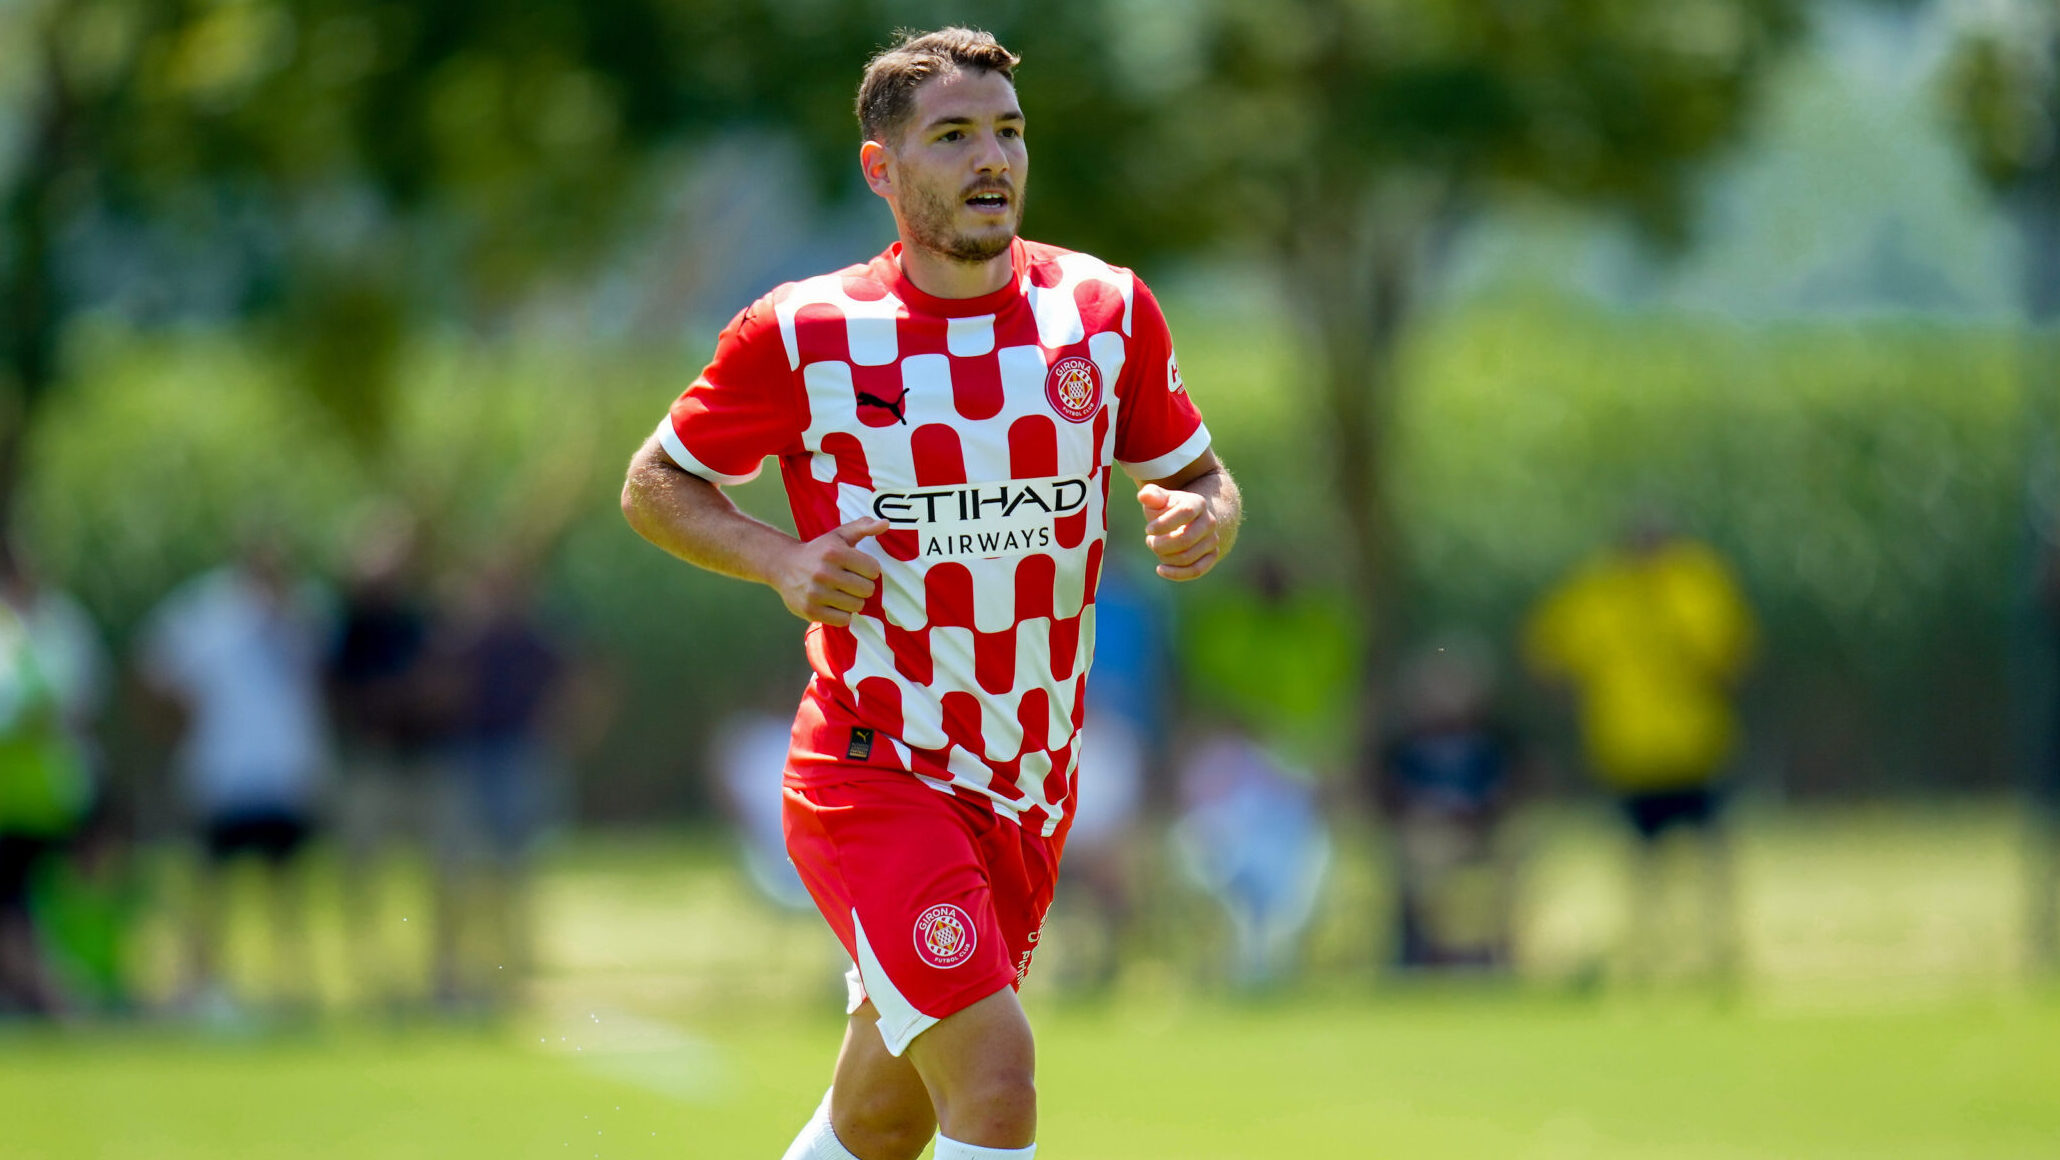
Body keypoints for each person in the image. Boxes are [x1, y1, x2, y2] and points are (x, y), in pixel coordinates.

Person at [620, 28, 1241, 1160]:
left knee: (881, 1117)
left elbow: (1199, 473)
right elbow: (655, 483)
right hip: (876, 772)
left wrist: (1207, 515)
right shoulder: (805, 331)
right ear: (882, 167)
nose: (990, 159)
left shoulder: (1102, 310)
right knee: (995, 1084)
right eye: (952, 136)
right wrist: (780, 559)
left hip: (1029, 786)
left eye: (1007, 132)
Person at [1523, 513, 1755, 982]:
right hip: (1629, 750)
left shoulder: (1696, 586)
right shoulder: (1599, 594)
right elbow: (1547, 656)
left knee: (1710, 854)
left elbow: (1733, 658)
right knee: (1642, 863)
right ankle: (1649, 953)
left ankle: (1718, 952)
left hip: (1693, 746)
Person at [139, 539, 330, 1015]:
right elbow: (153, 666)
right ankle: (203, 988)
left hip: (284, 775)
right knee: (212, 891)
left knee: (287, 891)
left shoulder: (304, 612)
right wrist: (178, 719)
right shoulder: (207, 609)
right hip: (224, 775)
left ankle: (292, 989)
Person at [1373, 637, 1524, 971]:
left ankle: (1491, 956)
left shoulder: (1488, 744)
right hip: (1422, 837)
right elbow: (1393, 797)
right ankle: (1416, 955)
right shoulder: (1409, 747)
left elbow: (1504, 793)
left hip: (1479, 837)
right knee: (1414, 861)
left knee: (1505, 863)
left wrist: (1475, 817)